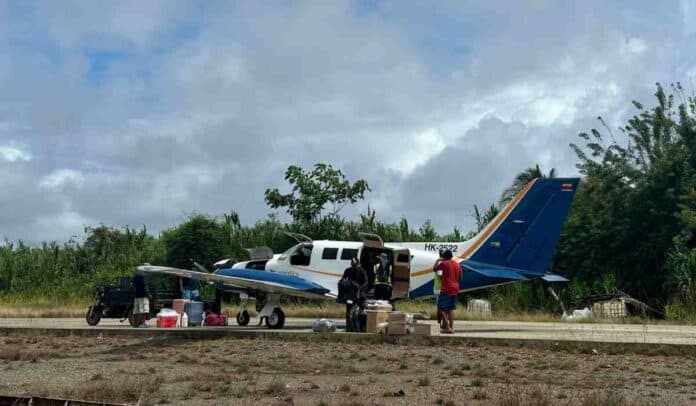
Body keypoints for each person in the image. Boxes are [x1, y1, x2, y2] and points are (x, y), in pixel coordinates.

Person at [436, 249, 462, 334]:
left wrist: (438, 260)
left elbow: (434, 269)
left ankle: (447, 327)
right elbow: (460, 277)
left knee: (441, 308)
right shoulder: (458, 264)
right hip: (455, 289)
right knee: (451, 309)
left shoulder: (444, 263)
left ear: (444, 257)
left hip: (446, 289)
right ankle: (451, 327)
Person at [341, 257, 369, 332]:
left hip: (359, 295)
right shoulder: (348, 270)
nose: (354, 267)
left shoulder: (361, 271)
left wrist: (360, 288)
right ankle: (349, 327)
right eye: (353, 265)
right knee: (349, 311)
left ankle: (359, 328)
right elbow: (342, 281)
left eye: (355, 265)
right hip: (351, 296)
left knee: (361, 311)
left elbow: (366, 282)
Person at [432, 249, 445, 328]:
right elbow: (440, 276)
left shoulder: (439, 262)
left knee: (439, 307)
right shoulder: (441, 263)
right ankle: (440, 323)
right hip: (440, 288)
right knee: (441, 307)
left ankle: (439, 322)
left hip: (437, 288)